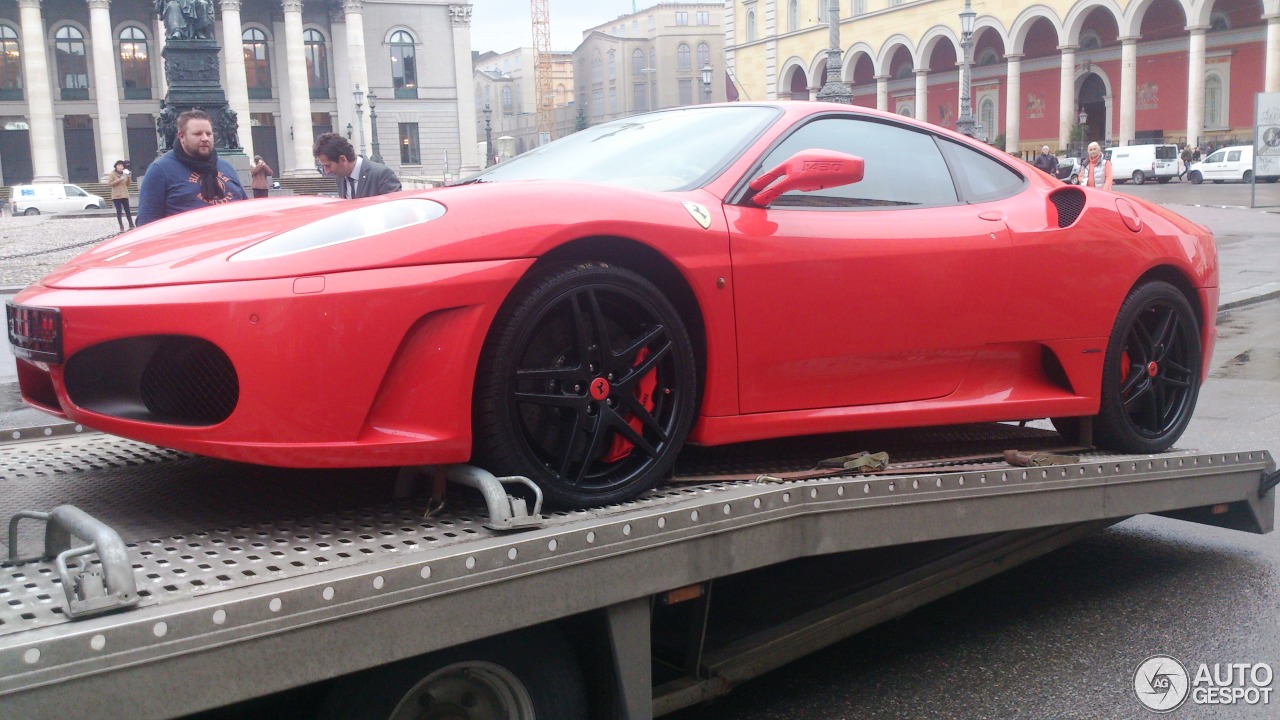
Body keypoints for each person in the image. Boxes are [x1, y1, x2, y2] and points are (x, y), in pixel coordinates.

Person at [137, 109, 247, 225]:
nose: (205, 138)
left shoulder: (226, 167)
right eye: (198, 134)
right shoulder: (160, 170)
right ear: (182, 136)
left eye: (209, 134)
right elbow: (146, 223)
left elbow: (246, 210)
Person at [313, 133, 401, 198]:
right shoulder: (340, 177)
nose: (326, 171)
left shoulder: (382, 174)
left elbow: (397, 209)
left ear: (343, 160)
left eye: (328, 166)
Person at [107, 160, 135, 232]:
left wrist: (129, 177)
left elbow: (128, 184)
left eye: (122, 166)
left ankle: (131, 224)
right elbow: (110, 184)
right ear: (116, 166)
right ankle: (121, 226)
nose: (120, 167)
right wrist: (119, 179)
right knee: (119, 211)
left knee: (127, 210)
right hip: (116, 196)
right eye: (119, 165)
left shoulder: (124, 173)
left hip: (124, 194)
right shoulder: (112, 174)